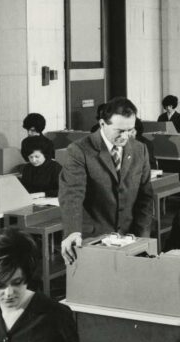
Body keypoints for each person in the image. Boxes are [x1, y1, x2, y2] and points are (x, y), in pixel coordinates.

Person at [59, 97, 154, 264]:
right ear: (103, 124)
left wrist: (141, 236)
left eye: (130, 130)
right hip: (93, 239)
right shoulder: (79, 150)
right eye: (119, 130)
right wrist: (72, 232)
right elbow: (72, 194)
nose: (125, 136)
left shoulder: (140, 150)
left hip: (130, 238)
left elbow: (145, 196)